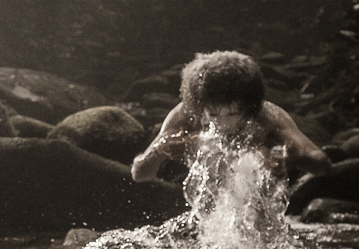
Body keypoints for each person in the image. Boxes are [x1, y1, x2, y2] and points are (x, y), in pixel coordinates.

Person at [131, 51, 331, 183]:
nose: (223, 122)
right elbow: (139, 173)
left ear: (249, 105)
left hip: (259, 215)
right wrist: (160, 151)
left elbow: (321, 164)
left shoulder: (268, 116)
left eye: (233, 113)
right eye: (215, 114)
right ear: (200, 105)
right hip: (208, 219)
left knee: (259, 152)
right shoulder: (185, 115)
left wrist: (293, 160)